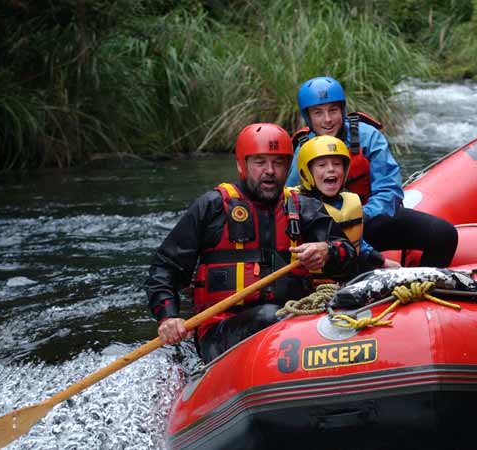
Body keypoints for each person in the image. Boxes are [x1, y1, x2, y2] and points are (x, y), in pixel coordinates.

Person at [144, 123, 357, 363]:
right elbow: (165, 269)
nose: (269, 171)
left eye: (278, 163)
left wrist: (327, 251)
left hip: (295, 323)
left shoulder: (304, 207)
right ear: (241, 165)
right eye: (260, 162)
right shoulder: (212, 207)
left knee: (280, 316)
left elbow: (348, 254)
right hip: (221, 330)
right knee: (269, 316)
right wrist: (168, 317)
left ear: (288, 167)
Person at [287, 76, 458, 268]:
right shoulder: (303, 149)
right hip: (326, 230)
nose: (327, 120)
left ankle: (424, 286)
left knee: (443, 234)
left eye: (333, 110)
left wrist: (359, 217)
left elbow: (389, 189)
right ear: (308, 117)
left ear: (342, 110)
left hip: (372, 220)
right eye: (318, 113)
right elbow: (292, 199)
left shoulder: (367, 136)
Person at [294, 134, 401, 274]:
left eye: (337, 164)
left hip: (348, 275)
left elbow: (357, 244)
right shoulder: (297, 206)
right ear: (306, 172)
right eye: (321, 165)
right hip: (314, 285)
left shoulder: (346, 203)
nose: (331, 169)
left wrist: (381, 261)